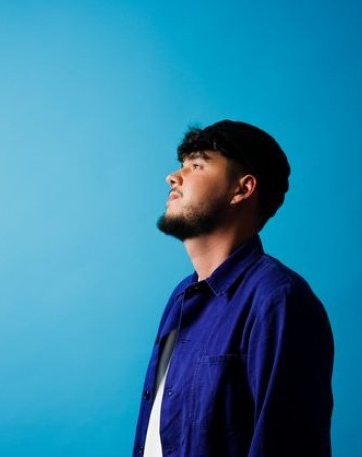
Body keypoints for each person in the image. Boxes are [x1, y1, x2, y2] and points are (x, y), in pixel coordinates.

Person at [132, 120, 334, 457]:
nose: (173, 177)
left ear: (242, 189)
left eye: (197, 165)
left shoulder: (278, 300)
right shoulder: (181, 297)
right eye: (182, 164)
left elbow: (289, 445)